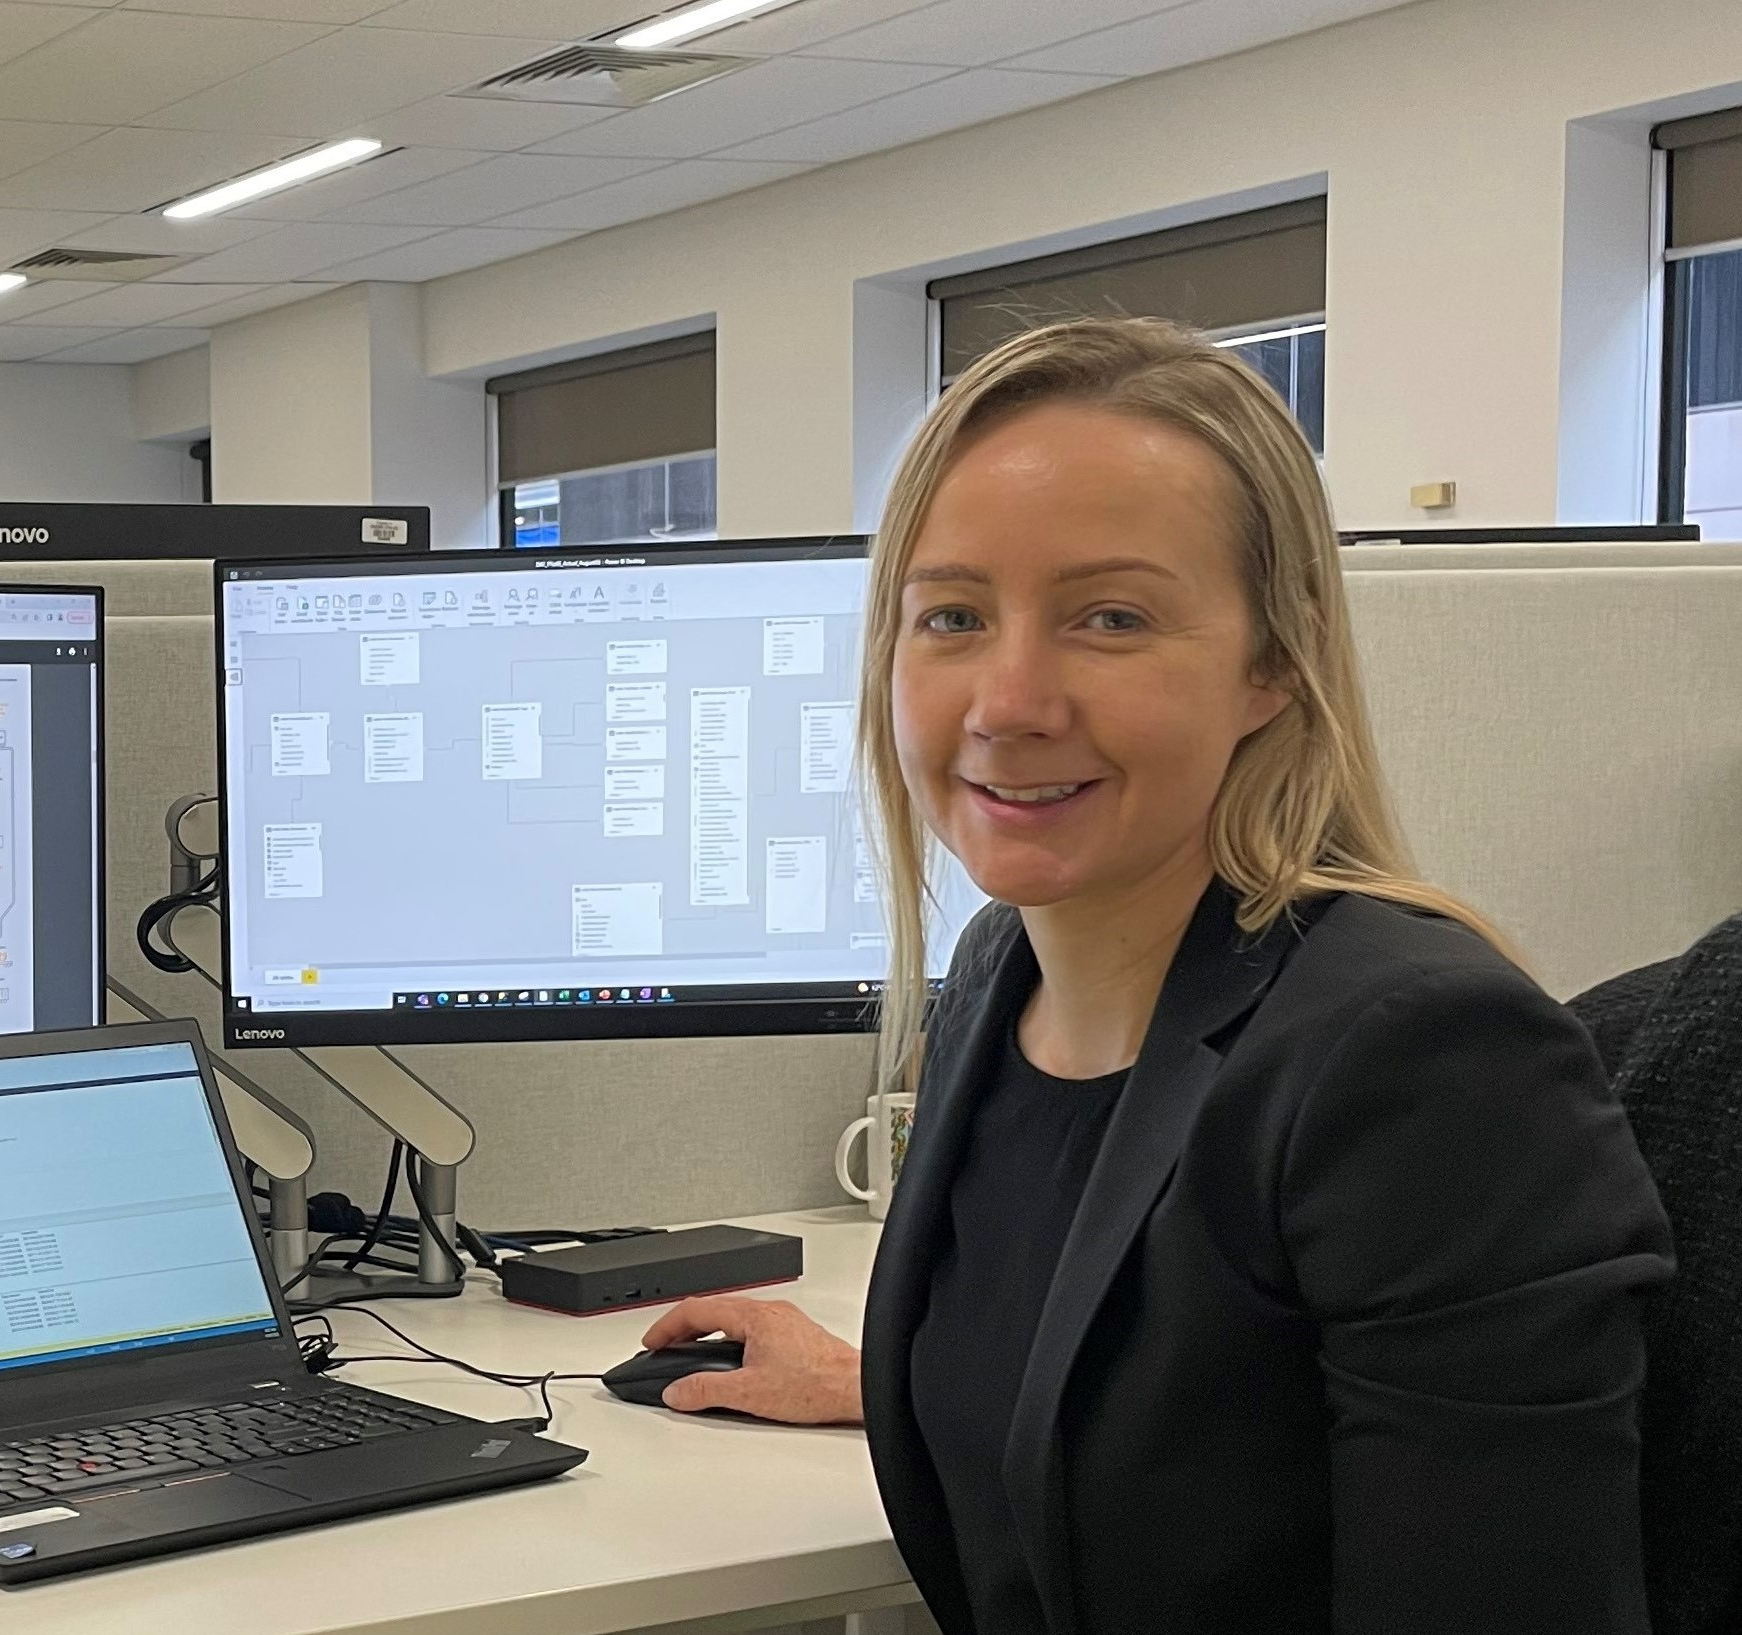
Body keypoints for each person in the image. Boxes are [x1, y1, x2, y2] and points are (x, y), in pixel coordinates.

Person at [641, 316, 1674, 1634]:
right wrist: (900, 1376)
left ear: (1271, 665)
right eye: (951, 616)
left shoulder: (1418, 1059)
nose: (1006, 700)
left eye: (1109, 618)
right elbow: (1195, 1383)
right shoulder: (1002, 973)